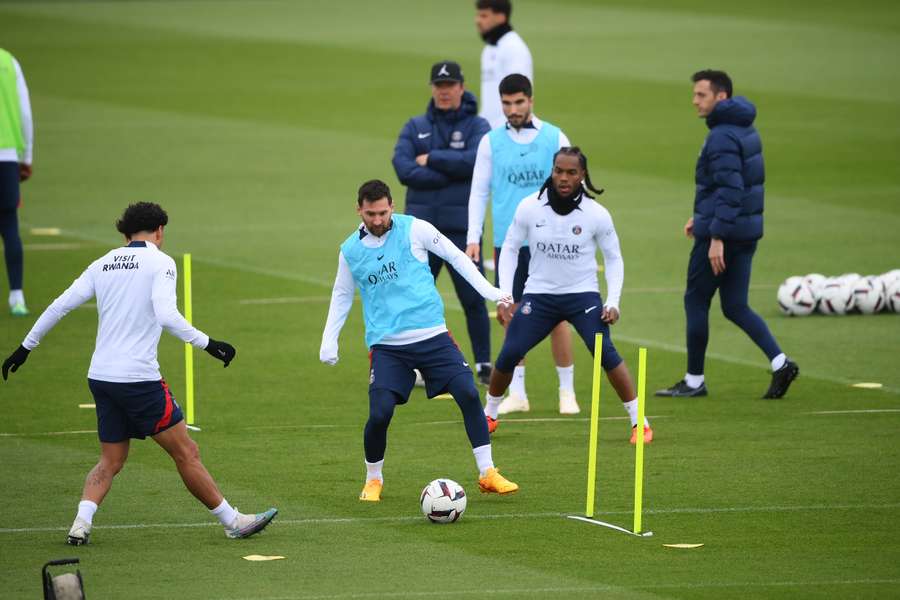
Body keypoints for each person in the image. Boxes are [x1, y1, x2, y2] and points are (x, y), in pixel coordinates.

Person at [1, 202, 277, 545]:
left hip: (101, 377)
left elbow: (60, 305)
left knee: (110, 459)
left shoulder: (103, 264)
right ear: (159, 231)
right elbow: (166, 314)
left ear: (124, 233)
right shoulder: (160, 262)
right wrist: (209, 344)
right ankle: (232, 520)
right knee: (186, 452)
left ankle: (80, 523)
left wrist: (25, 348)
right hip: (138, 380)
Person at [320, 179, 518, 502]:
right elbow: (341, 295)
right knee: (380, 414)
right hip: (387, 347)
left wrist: (490, 292)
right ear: (359, 210)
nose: (377, 220)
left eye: (383, 212)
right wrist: (330, 340)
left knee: (468, 392)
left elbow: (456, 257)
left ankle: (488, 473)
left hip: (433, 337)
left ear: (392, 207)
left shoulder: (416, 229)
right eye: (370, 214)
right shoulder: (350, 251)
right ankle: (373, 479)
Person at [484, 147, 652, 444]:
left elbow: (614, 259)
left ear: (582, 175)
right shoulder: (529, 207)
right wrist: (505, 295)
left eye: (571, 172)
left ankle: (640, 422)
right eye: (559, 171)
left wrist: (613, 302)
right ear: (552, 171)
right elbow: (509, 248)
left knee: (604, 352)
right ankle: (489, 415)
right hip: (539, 295)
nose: (564, 177)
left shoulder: (597, 214)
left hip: (583, 296)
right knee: (510, 352)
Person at [655, 70, 799, 400]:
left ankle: (694, 381)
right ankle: (780, 363)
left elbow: (732, 188)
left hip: (725, 234)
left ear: (721, 97)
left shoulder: (721, 136)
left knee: (696, 300)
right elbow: (732, 185)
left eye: (701, 95)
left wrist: (715, 235)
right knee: (735, 305)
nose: (694, 100)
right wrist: (702, 217)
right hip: (745, 230)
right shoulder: (744, 126)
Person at [466, 73, 577, 416]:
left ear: (530, 100)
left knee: (558, 315)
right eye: (506, 104)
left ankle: (566, 392)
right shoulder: (490, 142)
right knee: (509, 313)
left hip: (549, 241)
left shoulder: (554, 137)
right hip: (507, 243)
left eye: (518, 102)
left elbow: (573, 185)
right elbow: (479, 190)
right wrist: (473, 238)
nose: (512, 109)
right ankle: (518, 392)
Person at [392, 61, 493, 385]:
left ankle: (483, 364)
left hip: (462, 230)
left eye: (450, 85)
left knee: (474, 298)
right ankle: (414, 365)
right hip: (420, 233)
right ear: (432, 88)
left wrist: (433, 158)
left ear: (461, 87)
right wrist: (452, 170)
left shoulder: (478, 126)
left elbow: (476, 162)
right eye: (439, 85)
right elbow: (404, 169)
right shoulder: (415, 125)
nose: (444, 90)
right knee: (416, 299)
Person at [0, 48, 33, 316]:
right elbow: (24, 113)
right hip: (7, 154)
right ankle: (17, 297)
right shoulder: (8, 61)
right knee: (9, 223)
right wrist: (27, 155)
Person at [475, 0, 532, 129]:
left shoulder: (514, 48)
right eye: (478, 15)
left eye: (484, 16)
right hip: (489, 130)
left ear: (501, 17)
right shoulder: (489, 49)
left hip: (507, 131)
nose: (477, 21)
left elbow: (519, 94)